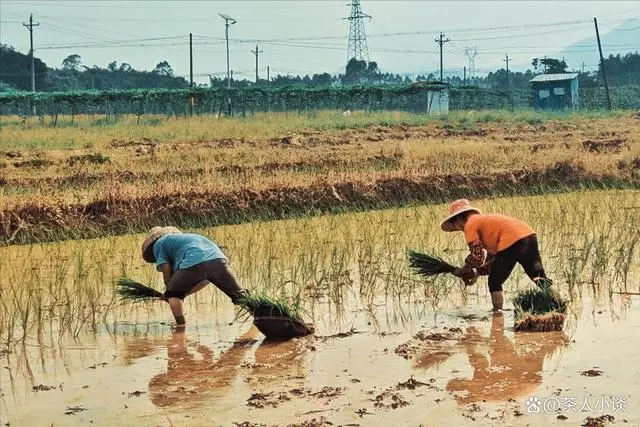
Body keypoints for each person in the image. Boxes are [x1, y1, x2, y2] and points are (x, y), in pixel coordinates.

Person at [440, 199, 552, 312]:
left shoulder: (470, 224)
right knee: (539, 277)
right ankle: (559, 303)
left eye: (456, 226)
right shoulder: (486, 223)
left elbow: (477, 257)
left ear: (458, 219)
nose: (459, 229)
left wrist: (463, 269)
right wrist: (476, 273)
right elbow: (492, 261)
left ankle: (497, 313)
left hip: (511, 241)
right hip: (529, 236)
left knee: (494, 281)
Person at [141, 226, 249, 326]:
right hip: (219, 259)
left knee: (173, 295)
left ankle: (180, 327)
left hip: (195, 260)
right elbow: (203, 280)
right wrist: (183, 294)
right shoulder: (184, 239)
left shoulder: (158, 244)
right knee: (241, 297)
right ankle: (262, 317)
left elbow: (166, 269)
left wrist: (169, 293)